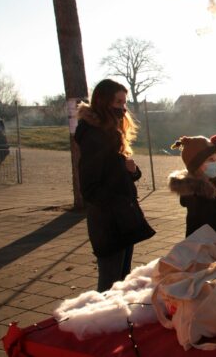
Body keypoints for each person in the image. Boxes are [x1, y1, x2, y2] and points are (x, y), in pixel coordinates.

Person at [75, 79, 155, 292]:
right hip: (108, 222)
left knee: (122, 279)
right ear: (103, 101)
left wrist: (133, 171)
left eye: (124, 102)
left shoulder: (111, 132)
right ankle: (99, 322)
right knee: (110, 283)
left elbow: (117, 174)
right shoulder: (94, 136)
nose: (122, 107)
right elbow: (90, 188)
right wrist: (119, 204)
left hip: (122, 218)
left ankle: (116, 321)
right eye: (118, 101)